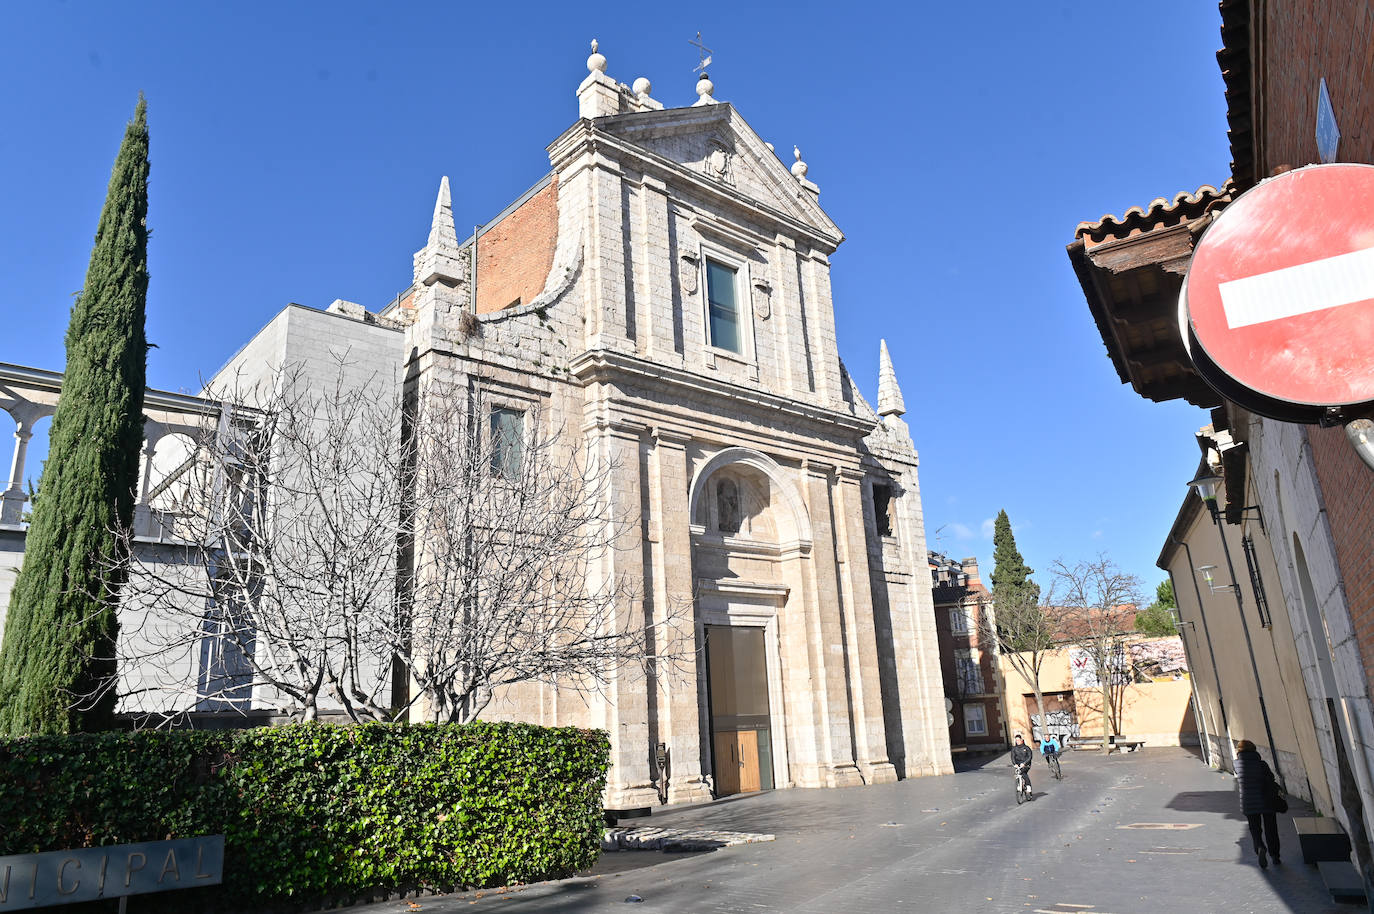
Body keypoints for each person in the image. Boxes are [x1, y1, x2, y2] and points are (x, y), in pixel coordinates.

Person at [1235, 739, 1282, 868]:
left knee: (1255, 828)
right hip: (1267, 799)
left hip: (1249, 801)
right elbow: (1271, 778)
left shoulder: (1237, 765)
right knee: (1271, 829)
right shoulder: (1262, 764)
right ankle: (1275, 856)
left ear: (1239, 751)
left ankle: (1260, 846)